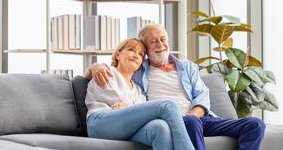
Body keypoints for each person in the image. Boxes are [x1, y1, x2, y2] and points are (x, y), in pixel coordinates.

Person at [85, 24, 266, 150]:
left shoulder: (187, 67)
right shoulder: (139, 70)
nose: (160, 44)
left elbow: (202, 94)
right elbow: (116, 69)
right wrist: (94, 67)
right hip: (178, 120)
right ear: (147, 50)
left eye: (163, 39)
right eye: (153, 42)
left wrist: (193, 114)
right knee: (181, 119)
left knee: (255, 124)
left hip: (199, 118)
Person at [85, 38, 195, 150]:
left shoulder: (138, 89)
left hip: (126, 129)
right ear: (118, 55)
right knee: (168, 105)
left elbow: (137, 115)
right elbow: (114, 100)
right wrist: (130, 109)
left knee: (160, 127)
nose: (136, 55)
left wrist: (127, 108)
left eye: (141, 54)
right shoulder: (105, 71)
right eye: (131, 50)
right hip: (100, 124)